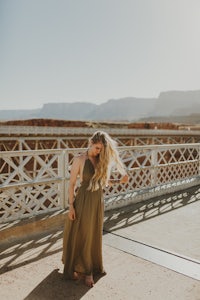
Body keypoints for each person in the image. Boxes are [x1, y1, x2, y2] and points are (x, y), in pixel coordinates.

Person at [62, 131, 128, 287]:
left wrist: (120, 180)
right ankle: (79, 267)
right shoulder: (79, 159)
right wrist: (71, 206)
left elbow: (103, 181)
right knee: (79, 232)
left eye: (101, 149)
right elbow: (71, 184)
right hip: (83, 200)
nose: (98, 151)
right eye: (97, 148)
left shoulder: (100, 160)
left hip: (97, 200)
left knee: (92, 234)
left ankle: (88, 269)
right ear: (90, 142)